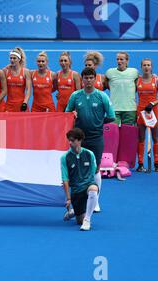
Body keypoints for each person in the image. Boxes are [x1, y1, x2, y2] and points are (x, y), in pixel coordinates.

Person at [65, 67, 115, 212]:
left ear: (95, 79)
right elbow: (67, 113)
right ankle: (75, 200)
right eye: (85, 78)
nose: (88, 80)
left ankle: (96, 201)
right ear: (82, 79)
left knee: (96, 168)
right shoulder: (75, 96)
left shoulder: (102, 96)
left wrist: (98, 123)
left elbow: (111, 116)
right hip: (79, 138)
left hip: (96, 137)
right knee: (76, 168)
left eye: (91, 77)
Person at [61, 128, 99, 231]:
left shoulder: (89, 154)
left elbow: (93, 172)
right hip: (76, 191)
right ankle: (74, 212)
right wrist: (68, 198)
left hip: (87, 185)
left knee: (93, 189)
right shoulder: (65, 157)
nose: (70, 142)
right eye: (69, 140)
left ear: (79, 140)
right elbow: (65, 179)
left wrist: (89, 183)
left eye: (72, 140)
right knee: (79, 221)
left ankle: (87, 220)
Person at [136, 58, 158, 172]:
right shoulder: (137, 81)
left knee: (155, 138)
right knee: (141, 138)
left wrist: (152, 103)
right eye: (144, 65)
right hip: (141, 112)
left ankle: (156, 164)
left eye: (148, 65)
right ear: (141, 67)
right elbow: (131, 94)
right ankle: (140, 164)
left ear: (151, 67)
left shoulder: (157, 81)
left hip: (153, 112)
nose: (146, 67)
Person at [105, 52, 139, 125]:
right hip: (114, 109)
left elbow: (139, 85)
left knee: (127, 135)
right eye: (117, 59)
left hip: (130, 109)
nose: (119, 61)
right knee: (113, 135)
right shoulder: (109, 72)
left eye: (121, 59)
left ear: (127, 61)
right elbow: (106, 84)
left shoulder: (134, 72)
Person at [3, 47, 31, 112]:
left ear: (19, 59)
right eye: (11, 58)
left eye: (14, 58)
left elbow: (28, 90)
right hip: (9, 105)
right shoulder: (5, 71)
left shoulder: (25, 72)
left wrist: (25, 103)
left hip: (22, 105)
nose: (12, 60)